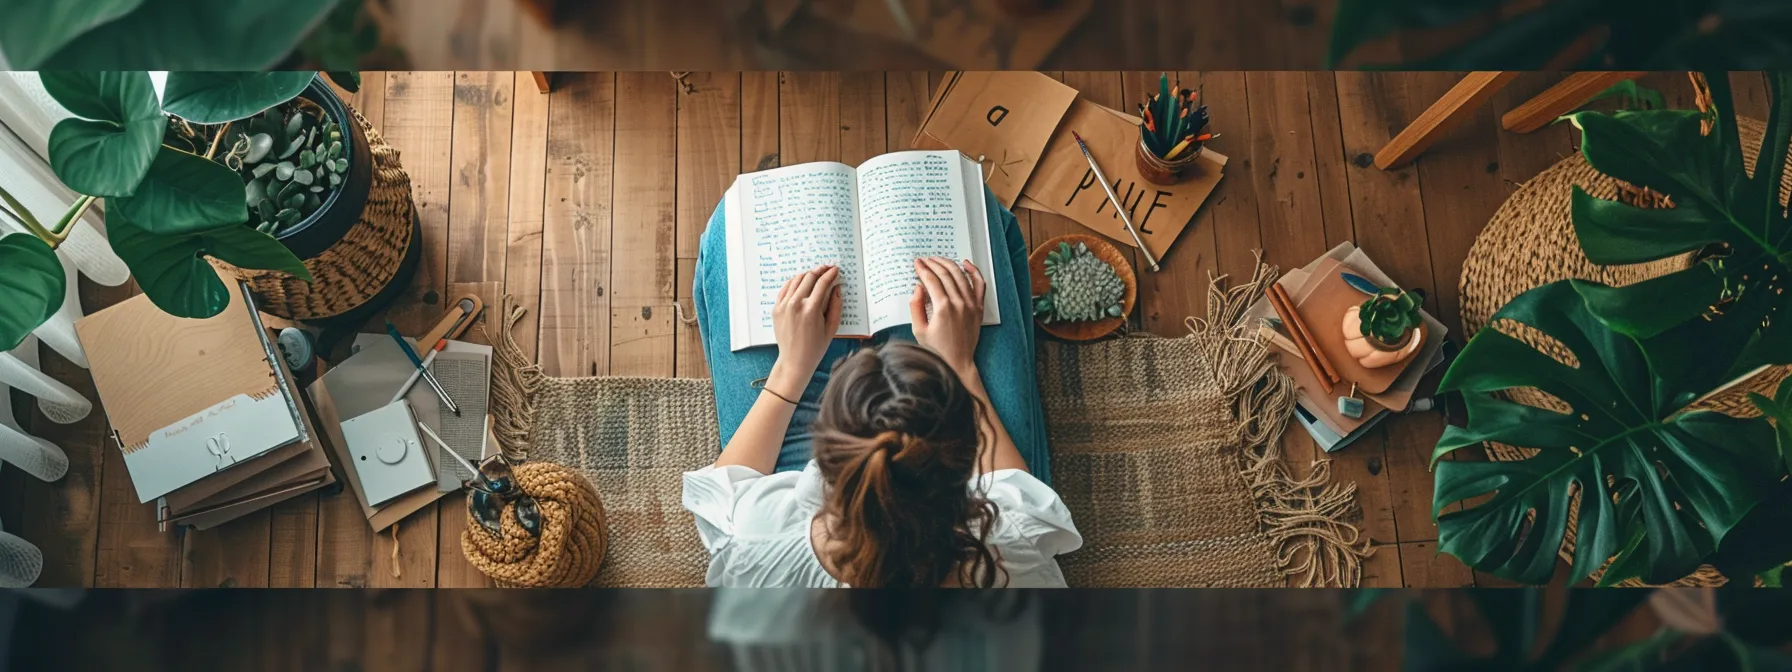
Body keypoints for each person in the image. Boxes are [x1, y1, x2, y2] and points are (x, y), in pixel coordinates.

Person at [684, 186, 1081, 587]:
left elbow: (727, 489)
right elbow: (1018, 492)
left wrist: (790, 368)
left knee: (725, 228)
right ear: (966, 461)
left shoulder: (754, 542)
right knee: (983, 209)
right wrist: (961, 365)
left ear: (820, 456)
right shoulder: (1016, 544)